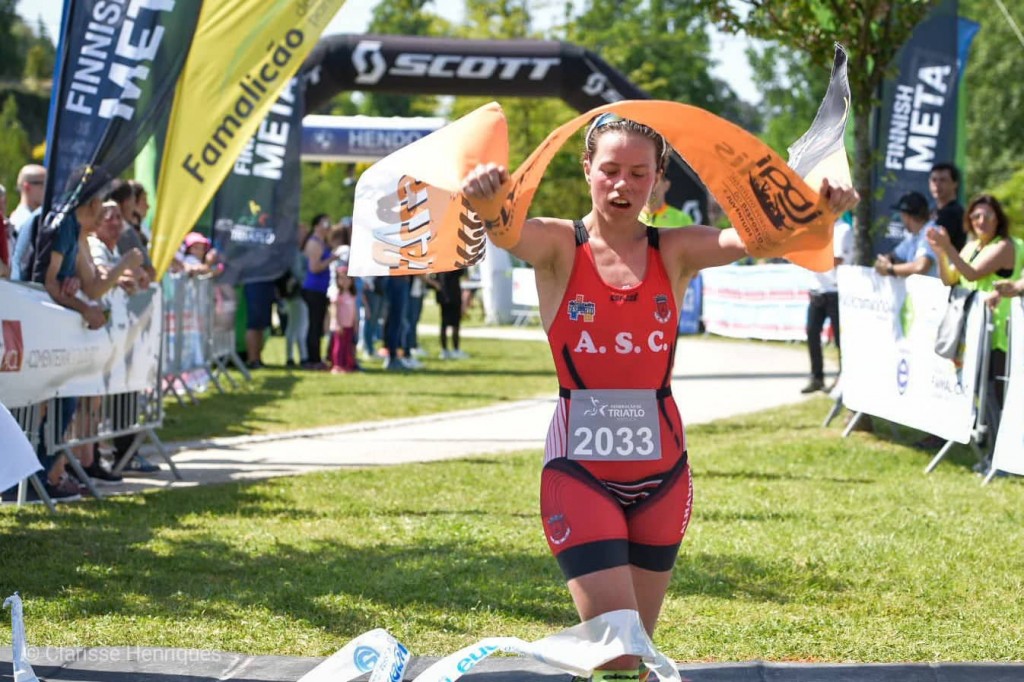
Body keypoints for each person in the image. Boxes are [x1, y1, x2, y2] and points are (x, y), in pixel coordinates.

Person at [460, 112, 858, 681]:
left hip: (665, 475)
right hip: (580, 473)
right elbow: (505, 232)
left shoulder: (675, 250)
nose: (622, 185)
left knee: (634, 655)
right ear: (587, 170)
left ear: (658, 177)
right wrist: (489, 201)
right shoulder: (557, 246)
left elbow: (758, 239)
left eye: (638, 173)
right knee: (616, 650)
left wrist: (820, 210)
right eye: (611, 170)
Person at [928, 195, 1022, 440]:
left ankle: (1001, 455)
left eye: (988, 216)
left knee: (994, 394)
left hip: (998, 335)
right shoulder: (972, 246)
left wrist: (948, 247)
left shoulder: (1005, 246)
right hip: (974, 332)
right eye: (976, 216)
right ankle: (991, 449)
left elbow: (970, 274)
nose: (981, 221)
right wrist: (940, 254)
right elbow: (950, 279)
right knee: (982, 392)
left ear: (998, 219)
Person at [801, 216, 853, 393]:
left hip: (835, 290)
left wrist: (811, 256)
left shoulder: (843, 229)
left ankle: (843, 378)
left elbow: (837, 259)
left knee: (840, 339)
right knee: (812, 334)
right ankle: (817, 377)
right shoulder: (815, 227)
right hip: (817, 289)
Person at [874, 191, 940, 279]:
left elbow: (920, 267)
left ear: (906, 216)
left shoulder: (931, 232)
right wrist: (885, 261)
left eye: (901, 215)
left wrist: (890, 269)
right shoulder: (914, 236)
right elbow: (894, 256)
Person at [301, 214, 336, 369]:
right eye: (325, 223)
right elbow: (314, 267)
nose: (328, 226)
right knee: (314, 325)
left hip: (321, 289)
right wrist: (331, 259)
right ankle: (312, 359)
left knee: (319, 324)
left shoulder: (323, 242)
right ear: (316, 226)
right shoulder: (314, 243)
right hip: (313, 288)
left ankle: (316, 357)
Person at [430, 269, 468, 360]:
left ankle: (445, 350)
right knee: (455, 324)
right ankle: (455, 349)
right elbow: (462, 273)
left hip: (443, 294)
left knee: (444, 323)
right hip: (453, 293)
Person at [929, 162, 966, 253]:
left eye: (943, 180)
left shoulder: (953, 212)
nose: (937, 184)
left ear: (955, 184)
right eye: (934, 180)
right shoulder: (933, 210)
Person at [328, 265, 359, 374]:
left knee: (347, 346)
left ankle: (347, 364)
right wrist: (337, 323)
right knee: (338, 346)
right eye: (341, 278)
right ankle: (337, 365)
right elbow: (334, 309)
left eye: (347, 278)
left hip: (349, 325)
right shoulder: (337, 294)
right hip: (339, 326)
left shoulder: (352, 294)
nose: (345, 281)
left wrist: (355, 323)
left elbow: (354, 311)